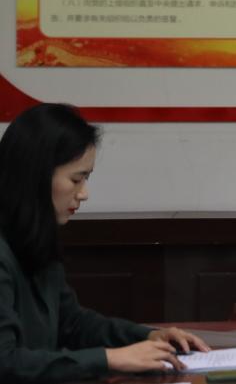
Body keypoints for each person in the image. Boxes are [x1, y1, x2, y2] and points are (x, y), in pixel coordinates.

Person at [0, 103, 210, 383]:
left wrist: (149, 336)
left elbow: (72, 323)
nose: (84, 193)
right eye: (76, 179)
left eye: (86, 178)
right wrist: (111, 359)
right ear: (35, 175)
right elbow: (5, 362)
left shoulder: (33, 237)